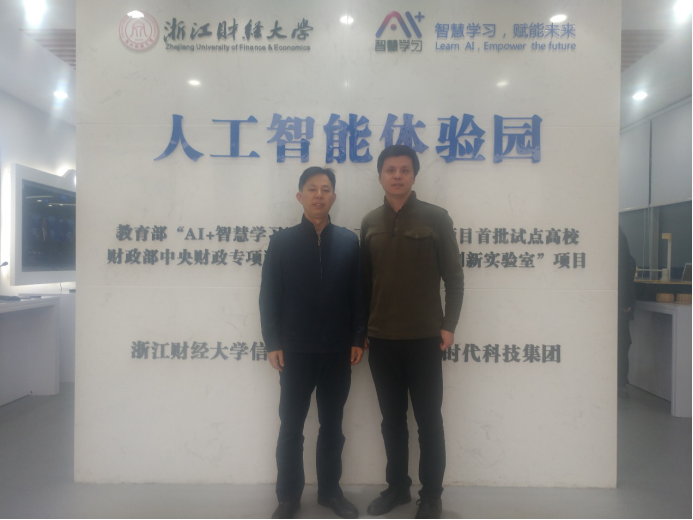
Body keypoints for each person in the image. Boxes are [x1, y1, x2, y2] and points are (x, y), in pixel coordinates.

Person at [360, 145, 464, 520]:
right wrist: (361, 330)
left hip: (424, 339)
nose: (397, 175)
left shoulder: (436, 218)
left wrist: (449, 325)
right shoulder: (370, 221)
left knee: (429, 422)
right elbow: (364, 283)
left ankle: (431, 496)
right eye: (390, 170)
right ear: (380, 176)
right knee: (392, 422)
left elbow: (454, 276)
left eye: (404, 169)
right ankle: (397, 487)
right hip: (381, 340)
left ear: (414, 175)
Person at [259, 166, 366, 520]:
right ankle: (288, 497)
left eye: (325, 189)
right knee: (291, 427)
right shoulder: (282, 242)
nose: (319, 194)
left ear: (333, 196)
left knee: (332, 426)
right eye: (312, 188)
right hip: (294, 352)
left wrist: (357, 337)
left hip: (337, 351)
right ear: (300, 196)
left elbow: (358, 294)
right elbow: (269, 295)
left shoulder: (349, 242)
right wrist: (273, 341)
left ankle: (330, 492)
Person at [618, 227, 637, 398]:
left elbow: (624, 268)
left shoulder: (615, 235)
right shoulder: (618, 235)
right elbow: (626, 267)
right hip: (619, 303)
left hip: (617, 302)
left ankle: (619, 383)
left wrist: (624, 301)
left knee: (620, 344)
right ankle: (620, 384)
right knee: (621, 344)